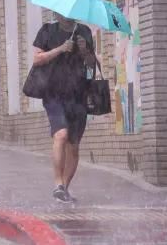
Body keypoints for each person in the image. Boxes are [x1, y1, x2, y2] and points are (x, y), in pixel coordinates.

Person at [32, 13, 96, 203]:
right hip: (54, 94)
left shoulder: (84, 32)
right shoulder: (47, 31)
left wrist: (85, 51)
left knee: (74, 147)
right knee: (61, 135)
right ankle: (58, 184)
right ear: (56, 14)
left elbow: (92, 64)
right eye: (62, 13)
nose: (66, 16)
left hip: (78, 95)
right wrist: (60, 49)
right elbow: (37, 60)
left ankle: (64, 189)